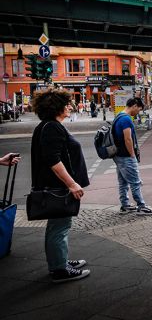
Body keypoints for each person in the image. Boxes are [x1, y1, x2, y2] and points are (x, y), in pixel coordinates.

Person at [30, 88, 90, 283]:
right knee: (59, 227)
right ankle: (59, 269)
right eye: (66, 104)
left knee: (57, 226)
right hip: (58, 188)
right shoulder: (52, 127)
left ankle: (60, 261)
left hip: (55, 186)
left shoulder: (48, 125)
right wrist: (72, 184)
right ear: (56, 107)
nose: (70, 107)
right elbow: (54, 160)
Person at [112, 98, 152, 215]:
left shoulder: (119, 116)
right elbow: (127, 139)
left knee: (123, 182)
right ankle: (141, 206)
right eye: (139, 109)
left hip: (118, 155)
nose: (138, 111)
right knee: (135, 182)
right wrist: (132, 155)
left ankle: (125, 205)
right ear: (134, 105)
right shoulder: (126, 119)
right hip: (126, 156)